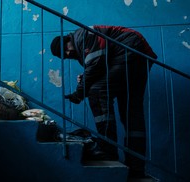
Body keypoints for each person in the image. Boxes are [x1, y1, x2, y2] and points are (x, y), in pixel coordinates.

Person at [50, 25, 157, 178]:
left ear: (68, 39)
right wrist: (86, 77)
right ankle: (136, 167)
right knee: (131, 113)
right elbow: (98, 66)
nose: (68, 53)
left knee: (97, 92)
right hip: (138, 55)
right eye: (65, 56)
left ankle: (107, 149)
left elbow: (95, 66)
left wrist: (79, 93)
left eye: (65, 49)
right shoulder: (82, 47)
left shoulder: (82, 35)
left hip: (130, 48)